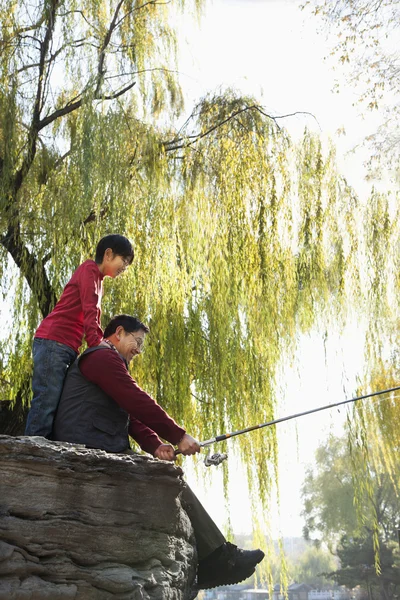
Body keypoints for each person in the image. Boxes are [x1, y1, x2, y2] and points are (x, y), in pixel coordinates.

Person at [52, 314, 265, 590]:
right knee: (167, 482)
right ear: (119, 333)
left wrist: (156, 445)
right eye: (136, 341)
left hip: (103, 445)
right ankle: (217, 558)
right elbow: (136, 400)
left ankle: (214, 556)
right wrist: (178, 435)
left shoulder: (112, 364)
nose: (138, 350)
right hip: (86, 445)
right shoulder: (102, 359)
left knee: (168, 476)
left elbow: (130, 416)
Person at [25, 235, 134, 438]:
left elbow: (93, 314)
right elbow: (90, 309)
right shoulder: (89, 269)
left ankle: (43, 448)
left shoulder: (99, 280)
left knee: (58, 401)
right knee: (46, 399)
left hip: (66, 346)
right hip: (54, 341)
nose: (125, 267)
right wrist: (98, 346)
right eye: (124, 261)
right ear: (108, 254)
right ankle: (32, 449)